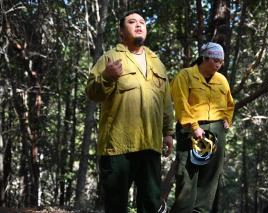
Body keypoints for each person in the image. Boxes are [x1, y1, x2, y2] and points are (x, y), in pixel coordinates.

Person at [85, 10, 174, 213]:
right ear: (121, 31)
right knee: (116, 204)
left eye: (142, 22)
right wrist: (107, 76)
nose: (139, 25)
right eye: (132, 22)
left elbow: (166, 101)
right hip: (118, 146)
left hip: (150, 144)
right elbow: (92, 93)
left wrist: (168, 132)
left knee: (150, 203)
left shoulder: (157, 63)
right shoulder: (110, 58)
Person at [170, 42, 235, 213]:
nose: (219, 65)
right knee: (187, 176)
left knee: (210, 178)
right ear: (205, 58)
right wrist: (194, 126)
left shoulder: (222, 80)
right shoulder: (185, 75)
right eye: (215, 61)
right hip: (191, 131)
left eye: (221, 62)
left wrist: (227, 119)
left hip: (217, 131)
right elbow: (180, 103)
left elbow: (230, 104)